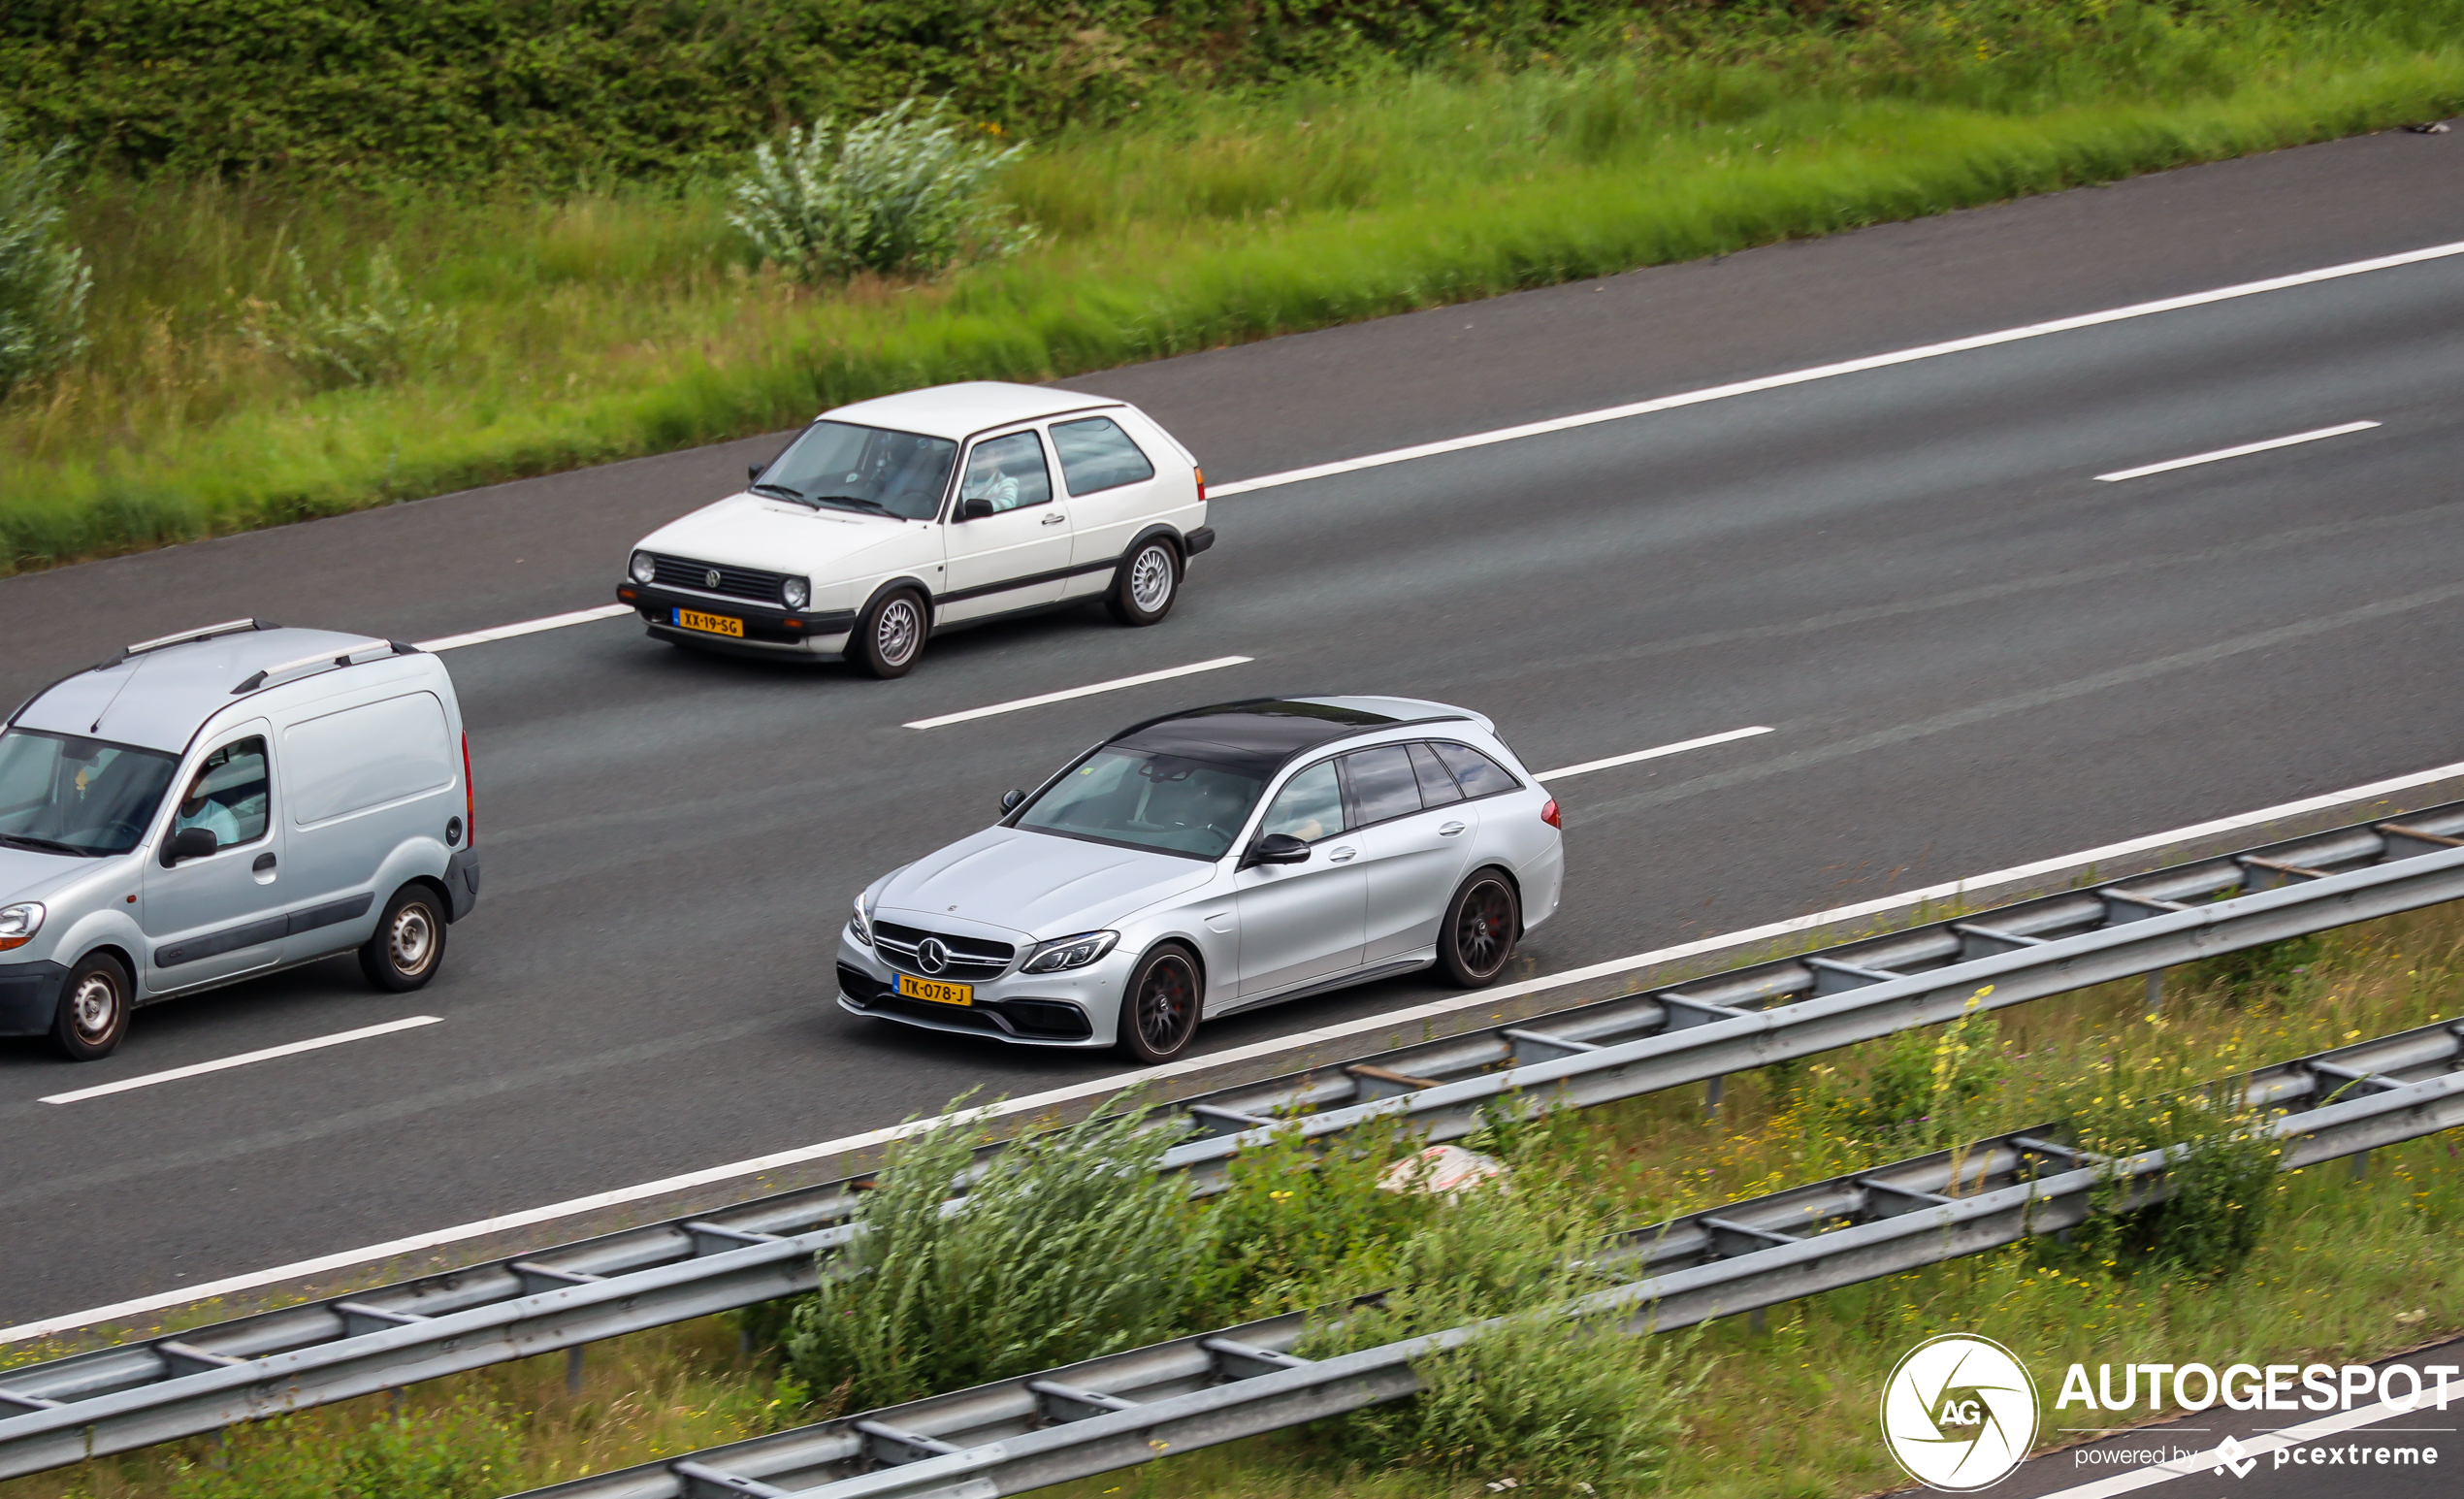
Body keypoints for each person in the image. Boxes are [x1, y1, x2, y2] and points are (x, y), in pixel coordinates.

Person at [962, 447, 1020, 511]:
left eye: (983, 452)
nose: (979, 456)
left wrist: (977, 507)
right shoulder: (961, 482)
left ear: (998, 456)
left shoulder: (1007, 482)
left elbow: (1008, 504)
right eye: (977, 451)